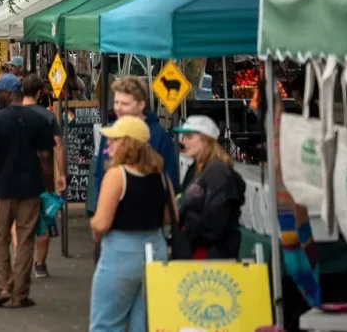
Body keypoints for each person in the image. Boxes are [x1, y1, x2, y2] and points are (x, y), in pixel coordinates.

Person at [89, 116, 176, 332]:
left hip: (121, 252)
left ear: (128, 143)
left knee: (107, 323)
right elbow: (171, 217)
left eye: (115, 140)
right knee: (145, 322)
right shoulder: (161, 175)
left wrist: (95, 231)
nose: (109, 144)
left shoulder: (117, 175)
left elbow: (101, 223)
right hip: (155, 249)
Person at [0, 73, 54, 309]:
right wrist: (49, 185)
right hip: (31, 186)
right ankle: (20, 292)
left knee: (0, 236)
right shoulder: (38, 120)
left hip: (4, 186)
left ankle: (3, 287)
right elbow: (45, 157)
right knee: (25, 239)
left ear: (9, 93)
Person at [92, 77, 179, 210]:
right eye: (116, 102)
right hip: (113, 215)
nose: (118, 108)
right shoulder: (109, 132)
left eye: (125, 104)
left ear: (141, 105)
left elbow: (170, 180)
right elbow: (99, 174)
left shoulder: (159, 136)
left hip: (149, 218)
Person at [173, 115, 246, 259]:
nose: (183, 141)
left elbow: (215, 221)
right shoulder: (196, 169)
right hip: (195, 249)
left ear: (205, 140)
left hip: (212, 254)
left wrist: (188, 235)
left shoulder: (217, 172)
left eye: (189, 136)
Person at [18, 75, 67, 278]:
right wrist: (61, 173)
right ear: (40, 93)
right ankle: (40, 264)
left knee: (19, 222)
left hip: (17, 175)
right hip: (42, 176)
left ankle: (21, 262)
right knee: (44, 221)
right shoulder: (47, 117)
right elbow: (57, 147)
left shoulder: (12, 115)